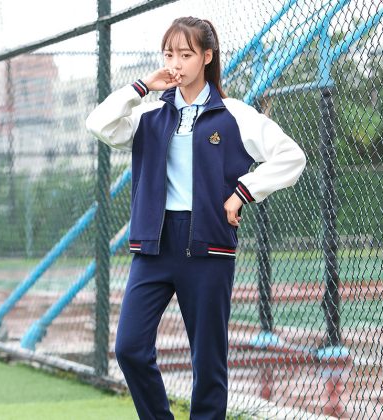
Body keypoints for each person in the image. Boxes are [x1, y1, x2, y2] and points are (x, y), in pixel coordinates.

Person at [85, 16, 306, 420]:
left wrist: (242, 193)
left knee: (208, 362)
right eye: (169, 54)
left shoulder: (234, 114)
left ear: (206, 57)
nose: (176, 63)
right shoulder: (150, 114)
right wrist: (142, 86)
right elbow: (98, 124)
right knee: (129, 348)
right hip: (154, 246)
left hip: (208, 245)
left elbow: (292, 156)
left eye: (185, 54)